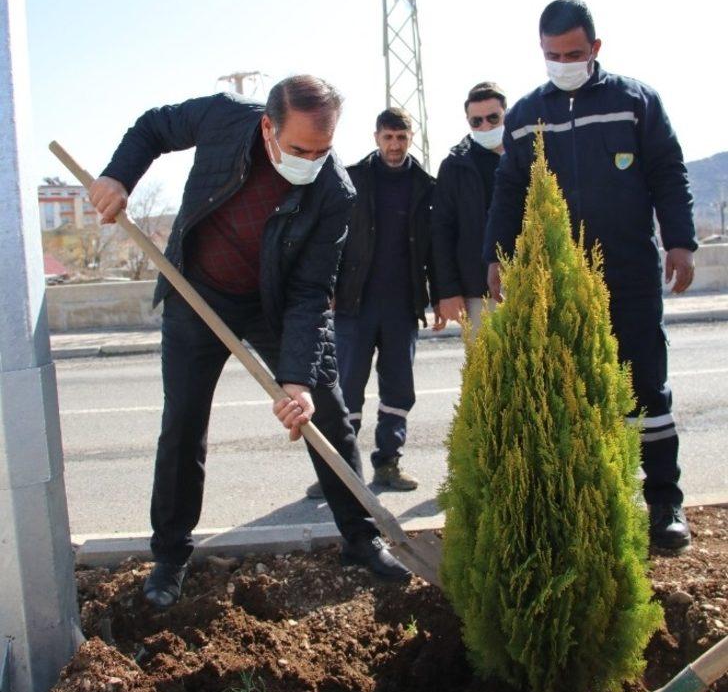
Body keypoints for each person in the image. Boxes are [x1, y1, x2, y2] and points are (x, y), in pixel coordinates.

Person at [89, 76, 411, 607]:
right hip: (197, 294)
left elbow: (311, 291)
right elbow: (152, 128)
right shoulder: (223, 117)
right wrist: (117, 176)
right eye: (300, 148)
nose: (311, 160)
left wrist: (297, 381)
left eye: (323, 149)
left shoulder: (334, 191)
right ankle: (170, 557)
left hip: (276, 303)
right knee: (183, 424)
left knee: (327, 412)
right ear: (267, 126)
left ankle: (361, 536)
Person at [484, 0, 697, 552]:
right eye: (552, 55)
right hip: (558, 277)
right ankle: (598, 503)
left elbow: (668, 172)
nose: (563, 62)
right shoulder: (528, 112)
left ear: (595, 49)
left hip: (628, 269)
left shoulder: (635, 101)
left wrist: (680, 241)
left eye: (573, 53)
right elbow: (509, 191)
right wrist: (496, 256)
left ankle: (665, 502)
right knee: (573, 390)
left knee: (644, 385)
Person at [307, 107, 440, 499]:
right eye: (388, 137)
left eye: (401, 138)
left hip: (402, 306)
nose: (394, 145)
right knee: (346, 389)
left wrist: (439, 297)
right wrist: (326, 285)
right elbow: (330, 236)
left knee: (398, 388)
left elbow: (435, 248)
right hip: (354, 304)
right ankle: (339, 471)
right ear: (376, 137)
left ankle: (388, 463)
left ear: (411, 137)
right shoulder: (353, 179)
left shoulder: (425, 186)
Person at [432, 83, 507, 335]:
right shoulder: (455, 166)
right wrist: (448, 291)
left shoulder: (528, 156)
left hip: (534, 286)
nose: (485, 126)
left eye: (492, 118)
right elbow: (441, 232)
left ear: (505, 113)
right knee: (485, 371)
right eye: (476, 121)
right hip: (477, 294)